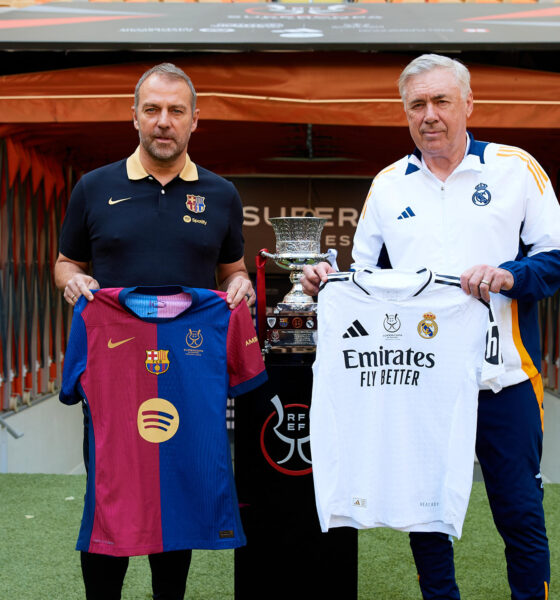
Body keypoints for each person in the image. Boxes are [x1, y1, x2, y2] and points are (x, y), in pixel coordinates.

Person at [302, 53, 560, 600]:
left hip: (504, 378)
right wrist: (324, 279)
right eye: (417, 104)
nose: (430, 115)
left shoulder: (516, 168)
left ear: (468, 104)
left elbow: (555, 258)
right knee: (427, 519)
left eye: (441, 101)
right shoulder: (388, 185)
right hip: (417, 381)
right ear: (405, 112)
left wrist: (509, 275)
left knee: (519, 513)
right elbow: (360, 278)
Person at [54, 63, 255, 600]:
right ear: (134, 116)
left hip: (187, 368)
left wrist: (241, 288)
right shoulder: (95, 187)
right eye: (152, 110)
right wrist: (75, 283)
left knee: (179, 488)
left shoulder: (221, 194)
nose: (163, 122)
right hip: (115, 371)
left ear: (195, 121)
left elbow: (231, 271)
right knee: (112, 491)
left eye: (175, 111)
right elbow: (65, 262)